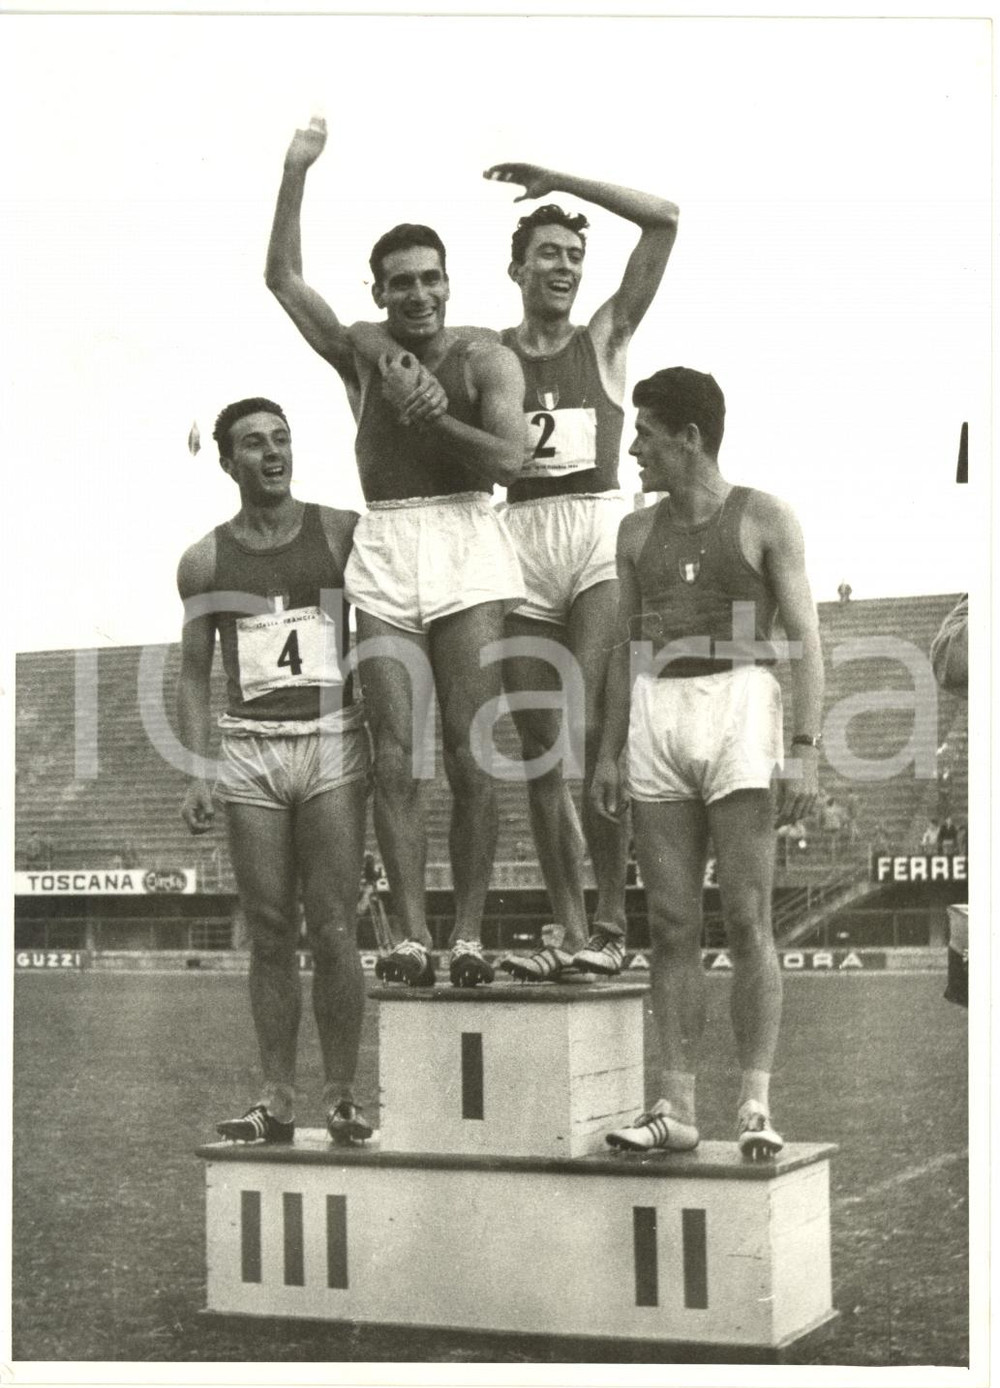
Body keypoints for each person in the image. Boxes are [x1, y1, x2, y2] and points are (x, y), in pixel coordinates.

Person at [266, 120, 527, 990]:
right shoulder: (361, 351)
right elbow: (282, 278)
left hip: (466, 538)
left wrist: (432, 417)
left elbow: (508, 461)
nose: (417, 293)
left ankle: (469, 933)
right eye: (400, 283)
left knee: (470, 747)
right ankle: (411, 934)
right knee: (393, 754)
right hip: (386, 540)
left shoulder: (486, 356)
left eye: (430, 278)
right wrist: (295, 170)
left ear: (450, 281)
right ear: (378, 290)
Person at [592, 368, 823, 1160]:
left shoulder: (762, 518)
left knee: (748, 918)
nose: (634, 449)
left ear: (688, 438)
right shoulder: (633, 534)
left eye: (646, 433)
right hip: (659, 713)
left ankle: (755, 1102)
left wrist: (805, 749)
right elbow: (625, 650)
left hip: (741, 708)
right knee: (670, 925)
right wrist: (609, 748)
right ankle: (677, 1105)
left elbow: (806, 640)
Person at [481, 163, 679, 983]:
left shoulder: (604, 337)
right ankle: (567, 925)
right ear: (517, 267)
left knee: (602, 731)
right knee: (538, 750)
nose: (563, 267)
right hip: (520, 537)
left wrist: (558, 180)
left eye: (573, 255)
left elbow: (664, 219)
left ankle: (608, 921)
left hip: (597, 530)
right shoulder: (484, 355)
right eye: (549, 253)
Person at [177, 397, 372, 1146]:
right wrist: (198, 768)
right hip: (252, 746)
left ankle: (345, 1095)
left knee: (332, 926)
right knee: (268, 928)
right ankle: (278, 1098)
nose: (272, 452)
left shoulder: (340, 532)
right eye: (254, 443)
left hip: (329, 739)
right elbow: (195, 674)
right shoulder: (205, 560)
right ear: (227, 462)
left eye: (282, 439)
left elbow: (380, 625)